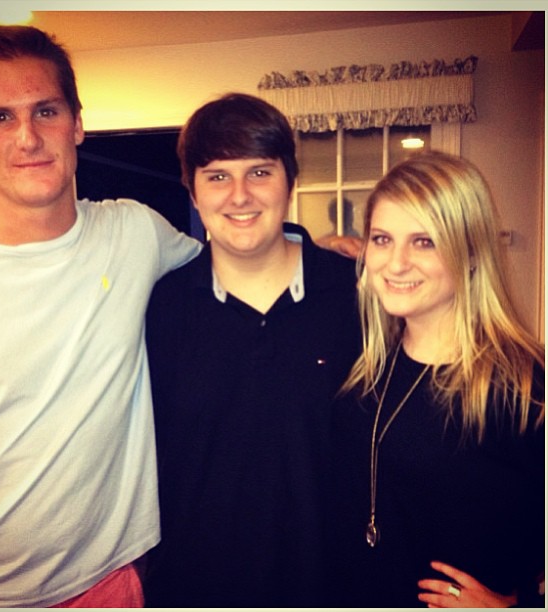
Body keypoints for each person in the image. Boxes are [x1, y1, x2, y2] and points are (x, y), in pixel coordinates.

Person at [0, 25, 201, 607]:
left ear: (77, 123)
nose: (28, 137)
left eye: (46, 110)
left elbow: (239, 269)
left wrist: (319, 252)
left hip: (104, 584)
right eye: (0, 117)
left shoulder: (134, 233)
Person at [143, 93, 362, 606]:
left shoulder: (358, 295)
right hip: (195, 588)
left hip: (333, 585)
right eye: (218, 176)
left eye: (259, 172)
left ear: (290, 181)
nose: (239, 195)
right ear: (193, 192)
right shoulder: (161, 306)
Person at [329, 151, 545, 608]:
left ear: (471, 252)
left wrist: (518, 606)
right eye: (382, 239)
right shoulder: (364, 366)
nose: (396, 263)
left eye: (424, 242)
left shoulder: (525, 386)